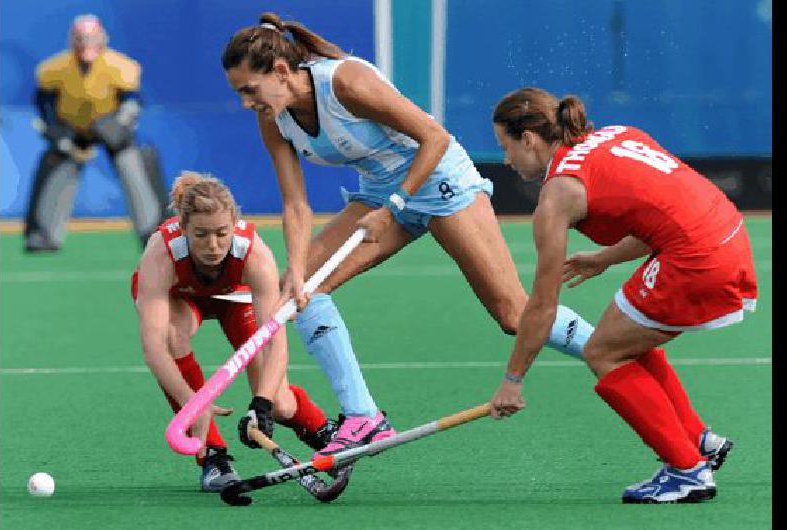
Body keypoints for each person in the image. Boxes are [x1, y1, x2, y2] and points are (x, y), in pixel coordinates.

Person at [221, 13, 597, 458]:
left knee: (513, 316)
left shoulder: (346, 82)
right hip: (381, 195)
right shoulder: (274, 117)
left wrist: (395, 206)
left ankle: (609, 350)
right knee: (302, 290)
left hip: (440, 183)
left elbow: (433, 137)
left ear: (281, 71)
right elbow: (295, 204)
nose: (246, 102)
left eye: (249, 89)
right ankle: (364, 417)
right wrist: (296, 266)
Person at [488, 87, 756, 503]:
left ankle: (687, 472)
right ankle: (699, 441)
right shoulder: (617, 134)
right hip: (727, 233)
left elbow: (542, 305)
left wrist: (512, 381)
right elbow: (666, 210)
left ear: (528, 138)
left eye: (505, 147)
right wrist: (606, 258)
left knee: (603, 353)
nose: (506, 160)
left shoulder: (557, 195)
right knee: (627, 336)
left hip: (697, 258)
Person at [132, 170, 338, 492]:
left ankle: (321, 431)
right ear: (183, 228)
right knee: (173, 338)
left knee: (281, 402)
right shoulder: (162, 252)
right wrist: (193, 403)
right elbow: (154, 350)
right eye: (200, 235)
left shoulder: (254, 254)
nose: (212, 245)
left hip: (235, 296)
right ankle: (213, 456)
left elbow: (275, 343)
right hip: (181, 297)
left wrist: (263, 403)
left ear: (233, 227)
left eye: (221, 233)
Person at [26, 14, 168, 253]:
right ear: (72, 40)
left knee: (134, 164)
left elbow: (132, 103)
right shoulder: (54, 68)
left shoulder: (121, 66)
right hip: (71, 131)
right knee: (55, 166)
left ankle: (153, 231)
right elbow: (44, 104)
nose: (85, 44)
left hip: (111, 130)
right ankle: (44, 233)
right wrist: (57, 132)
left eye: (90, 38)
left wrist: (115, 127)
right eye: (80, 39)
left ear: (102, 39)